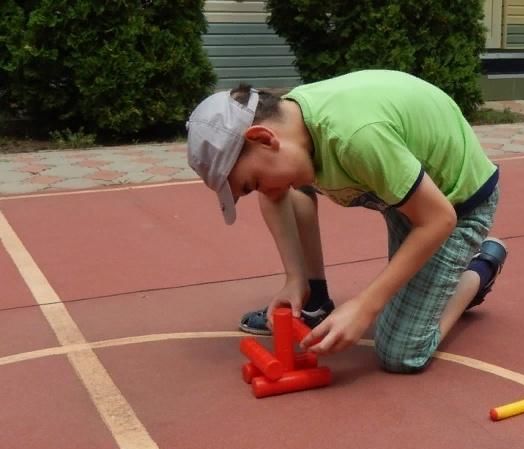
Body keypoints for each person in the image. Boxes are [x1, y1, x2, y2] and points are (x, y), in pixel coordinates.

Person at [186, 69, 507, 373]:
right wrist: (295, 278)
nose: (263, 192)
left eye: (253, 182)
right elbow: (281, 194)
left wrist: (365, 306)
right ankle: (315, 298)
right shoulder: (293, 127)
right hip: (407, 200)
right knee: (289, 185)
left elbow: (438, 219)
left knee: (402, 352)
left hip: (456, 206)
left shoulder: (355, 138)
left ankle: (479, 268)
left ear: (264, 138)